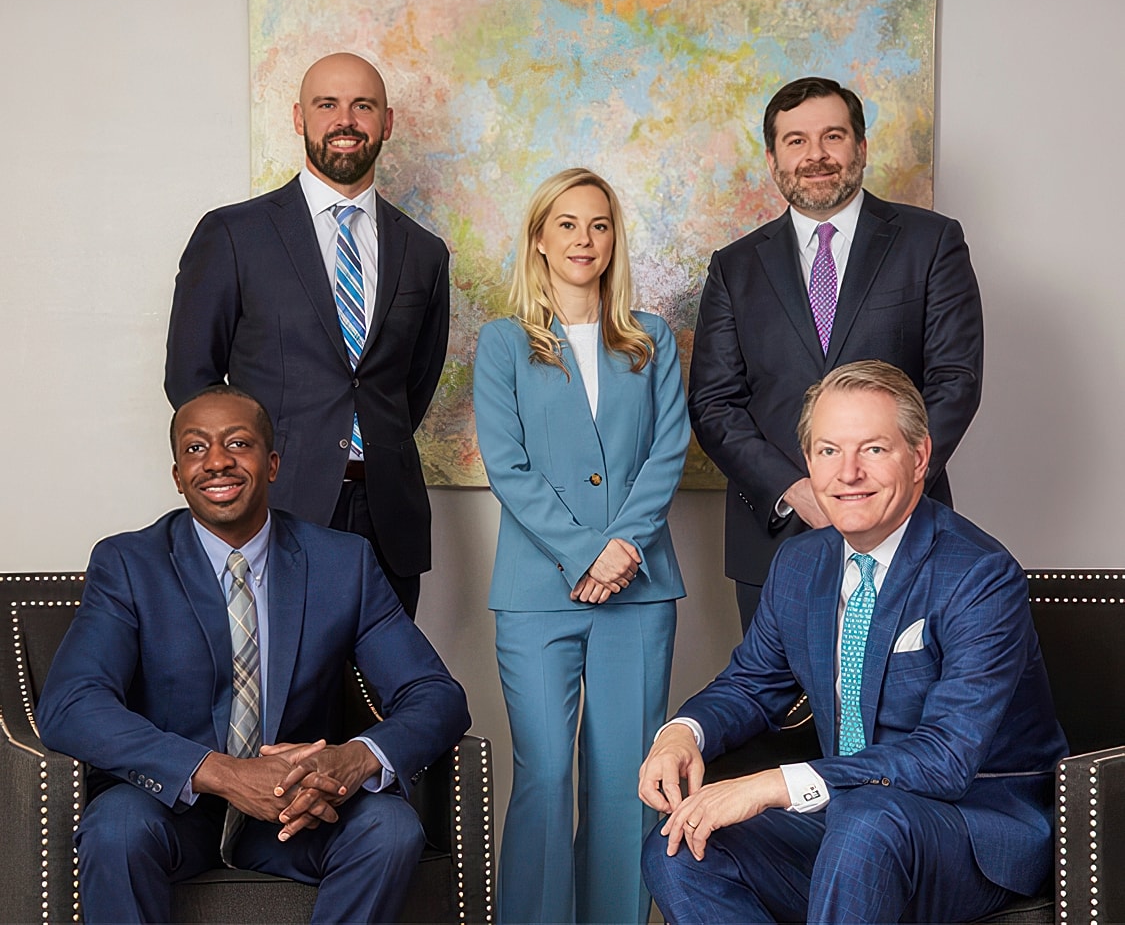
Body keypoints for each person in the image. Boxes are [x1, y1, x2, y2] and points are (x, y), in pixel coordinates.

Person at [638, 361, 1065, 925]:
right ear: (809, 462)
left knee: (867, 824)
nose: (849, 473)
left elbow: (946, 758)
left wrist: (772, 786)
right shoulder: (800, 563)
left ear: (918, 458)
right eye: (829, 451)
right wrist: (678, 735)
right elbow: (750, 684)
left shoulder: (979, 575)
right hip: (854, 816)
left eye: (874, 449)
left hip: (975, 826)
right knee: (681, 848)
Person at [36, 385, 470, 925]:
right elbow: (71, 704)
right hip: (170, 806)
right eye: (196, 449)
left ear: (272, 464)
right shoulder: (129, 563)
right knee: (115, 828)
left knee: (391, 828)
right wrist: (216, 772)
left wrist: (353, 760)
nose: (216, 461)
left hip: (298, 810)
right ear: (177, 475)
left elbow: (436, 695)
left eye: (238, 443)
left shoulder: (342, 563)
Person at [473, 168, 691, 925]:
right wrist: (584, 552)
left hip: (640, 591)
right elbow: (508, 465)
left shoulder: (651, 337)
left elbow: (669, 451)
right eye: (566, 224)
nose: (583, 240)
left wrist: (623, 546)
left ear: (613, 238)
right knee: (542, 775)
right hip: (536, 592)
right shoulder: (503, 344)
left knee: (624, 778)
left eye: (598, 225)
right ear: (539, 238)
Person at [690, 75, 984, 630]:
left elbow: (955, 381)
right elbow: (714, 404)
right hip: (773, 538)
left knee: (907, 705)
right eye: (796, 141)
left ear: (862, 147)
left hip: (906, 527)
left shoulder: (931, 242)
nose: (816, 155)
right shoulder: (734, 267)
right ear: (773, 158)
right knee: (776, 708)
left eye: (833, 136)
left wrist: (890, 485)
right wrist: (796, 490)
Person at [165, 52, 449, 616]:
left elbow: (411, 387)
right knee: (279, 693)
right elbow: (192, 383)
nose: (345, 120)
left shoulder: (424, 252)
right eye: (328, 105)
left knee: (384, 695)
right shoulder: (233, 234)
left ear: (386, 123)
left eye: (362, 106)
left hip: (387, 516)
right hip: (274, 506)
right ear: (299, 118)